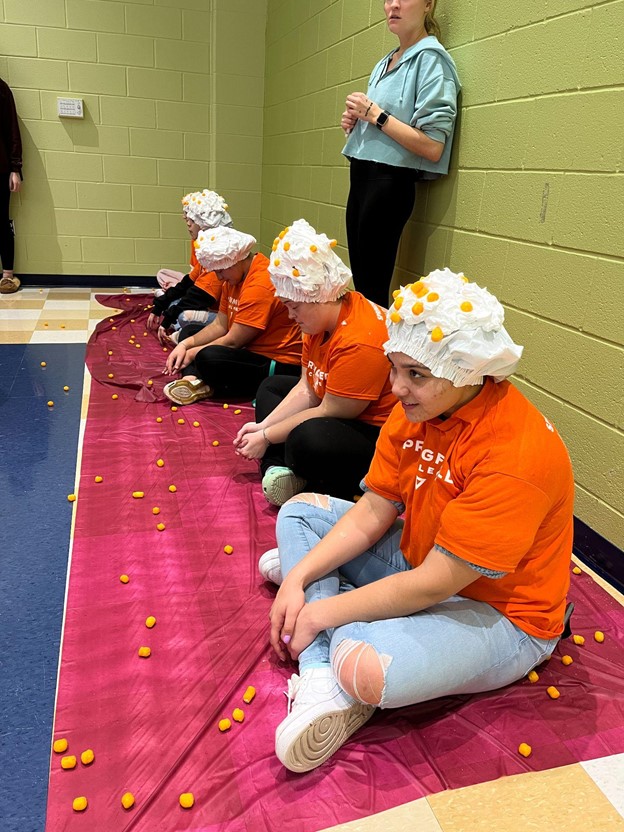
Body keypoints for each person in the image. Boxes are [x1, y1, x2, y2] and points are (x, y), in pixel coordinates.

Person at [261, 268, 574, 773]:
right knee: (299, 513)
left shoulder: (517, 454)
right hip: (421, 559)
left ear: (467, 370)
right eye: (395, 367)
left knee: (361, 663)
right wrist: (298, 578)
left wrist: (315, 612)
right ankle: (321, 662)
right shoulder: (419, 411)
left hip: (504, 616)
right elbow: (371, 512)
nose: (397, 388)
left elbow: (435, 584)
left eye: (415, 375)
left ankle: (328, 648)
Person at [233, 219, 396, 507]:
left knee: (308, 440)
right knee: (271, 387)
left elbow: (331, 410)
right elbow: (307, 388)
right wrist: (264, 428)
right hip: (333, 409)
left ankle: (296, 470)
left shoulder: (359, 338)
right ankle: (277, 468)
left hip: (372, 430)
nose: (290, 314)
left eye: (293, 306)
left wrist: (269, 435)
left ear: (318, 295)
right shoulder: (316, 321)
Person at [341, 0, 460, 307]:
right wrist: (356, 126)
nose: (392, 5)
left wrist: (376, 116)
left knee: (372, 290)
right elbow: (380, 124)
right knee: (362, 284)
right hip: (362, 176)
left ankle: (374, 352)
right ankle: (364, 349)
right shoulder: (385, 63)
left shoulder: (432, 60)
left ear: (428, 5)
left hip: (389, 182)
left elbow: (433, 146)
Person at [163, 226, 302, 404]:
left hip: (275, 361)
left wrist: (191, 354)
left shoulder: (260, 284)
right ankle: (195, 381)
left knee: (207, 356)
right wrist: (185, 344)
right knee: (188, 332)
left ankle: (203, 380)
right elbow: (221, 324)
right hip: (249, 347)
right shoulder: (234, 276)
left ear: (236, 261)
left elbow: (234, 340)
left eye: (220, 271)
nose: (219, 278)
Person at [147, 189, 231, 342]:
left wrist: (168, 317)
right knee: (175, 294)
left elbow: (199, 295)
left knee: (183, 316)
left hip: (219, 311)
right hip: (205, 298)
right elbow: (190, 282)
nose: (187, 223)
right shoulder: (205, 249)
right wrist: (161, 305)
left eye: (190, 220)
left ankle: (183, 330)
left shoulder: (219, 257)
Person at [0, 77, 23, 295]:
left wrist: (15, 168)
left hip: (1, 168)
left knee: (1, 221)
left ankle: (7, 276)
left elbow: (11, 130)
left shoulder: (1, 89)